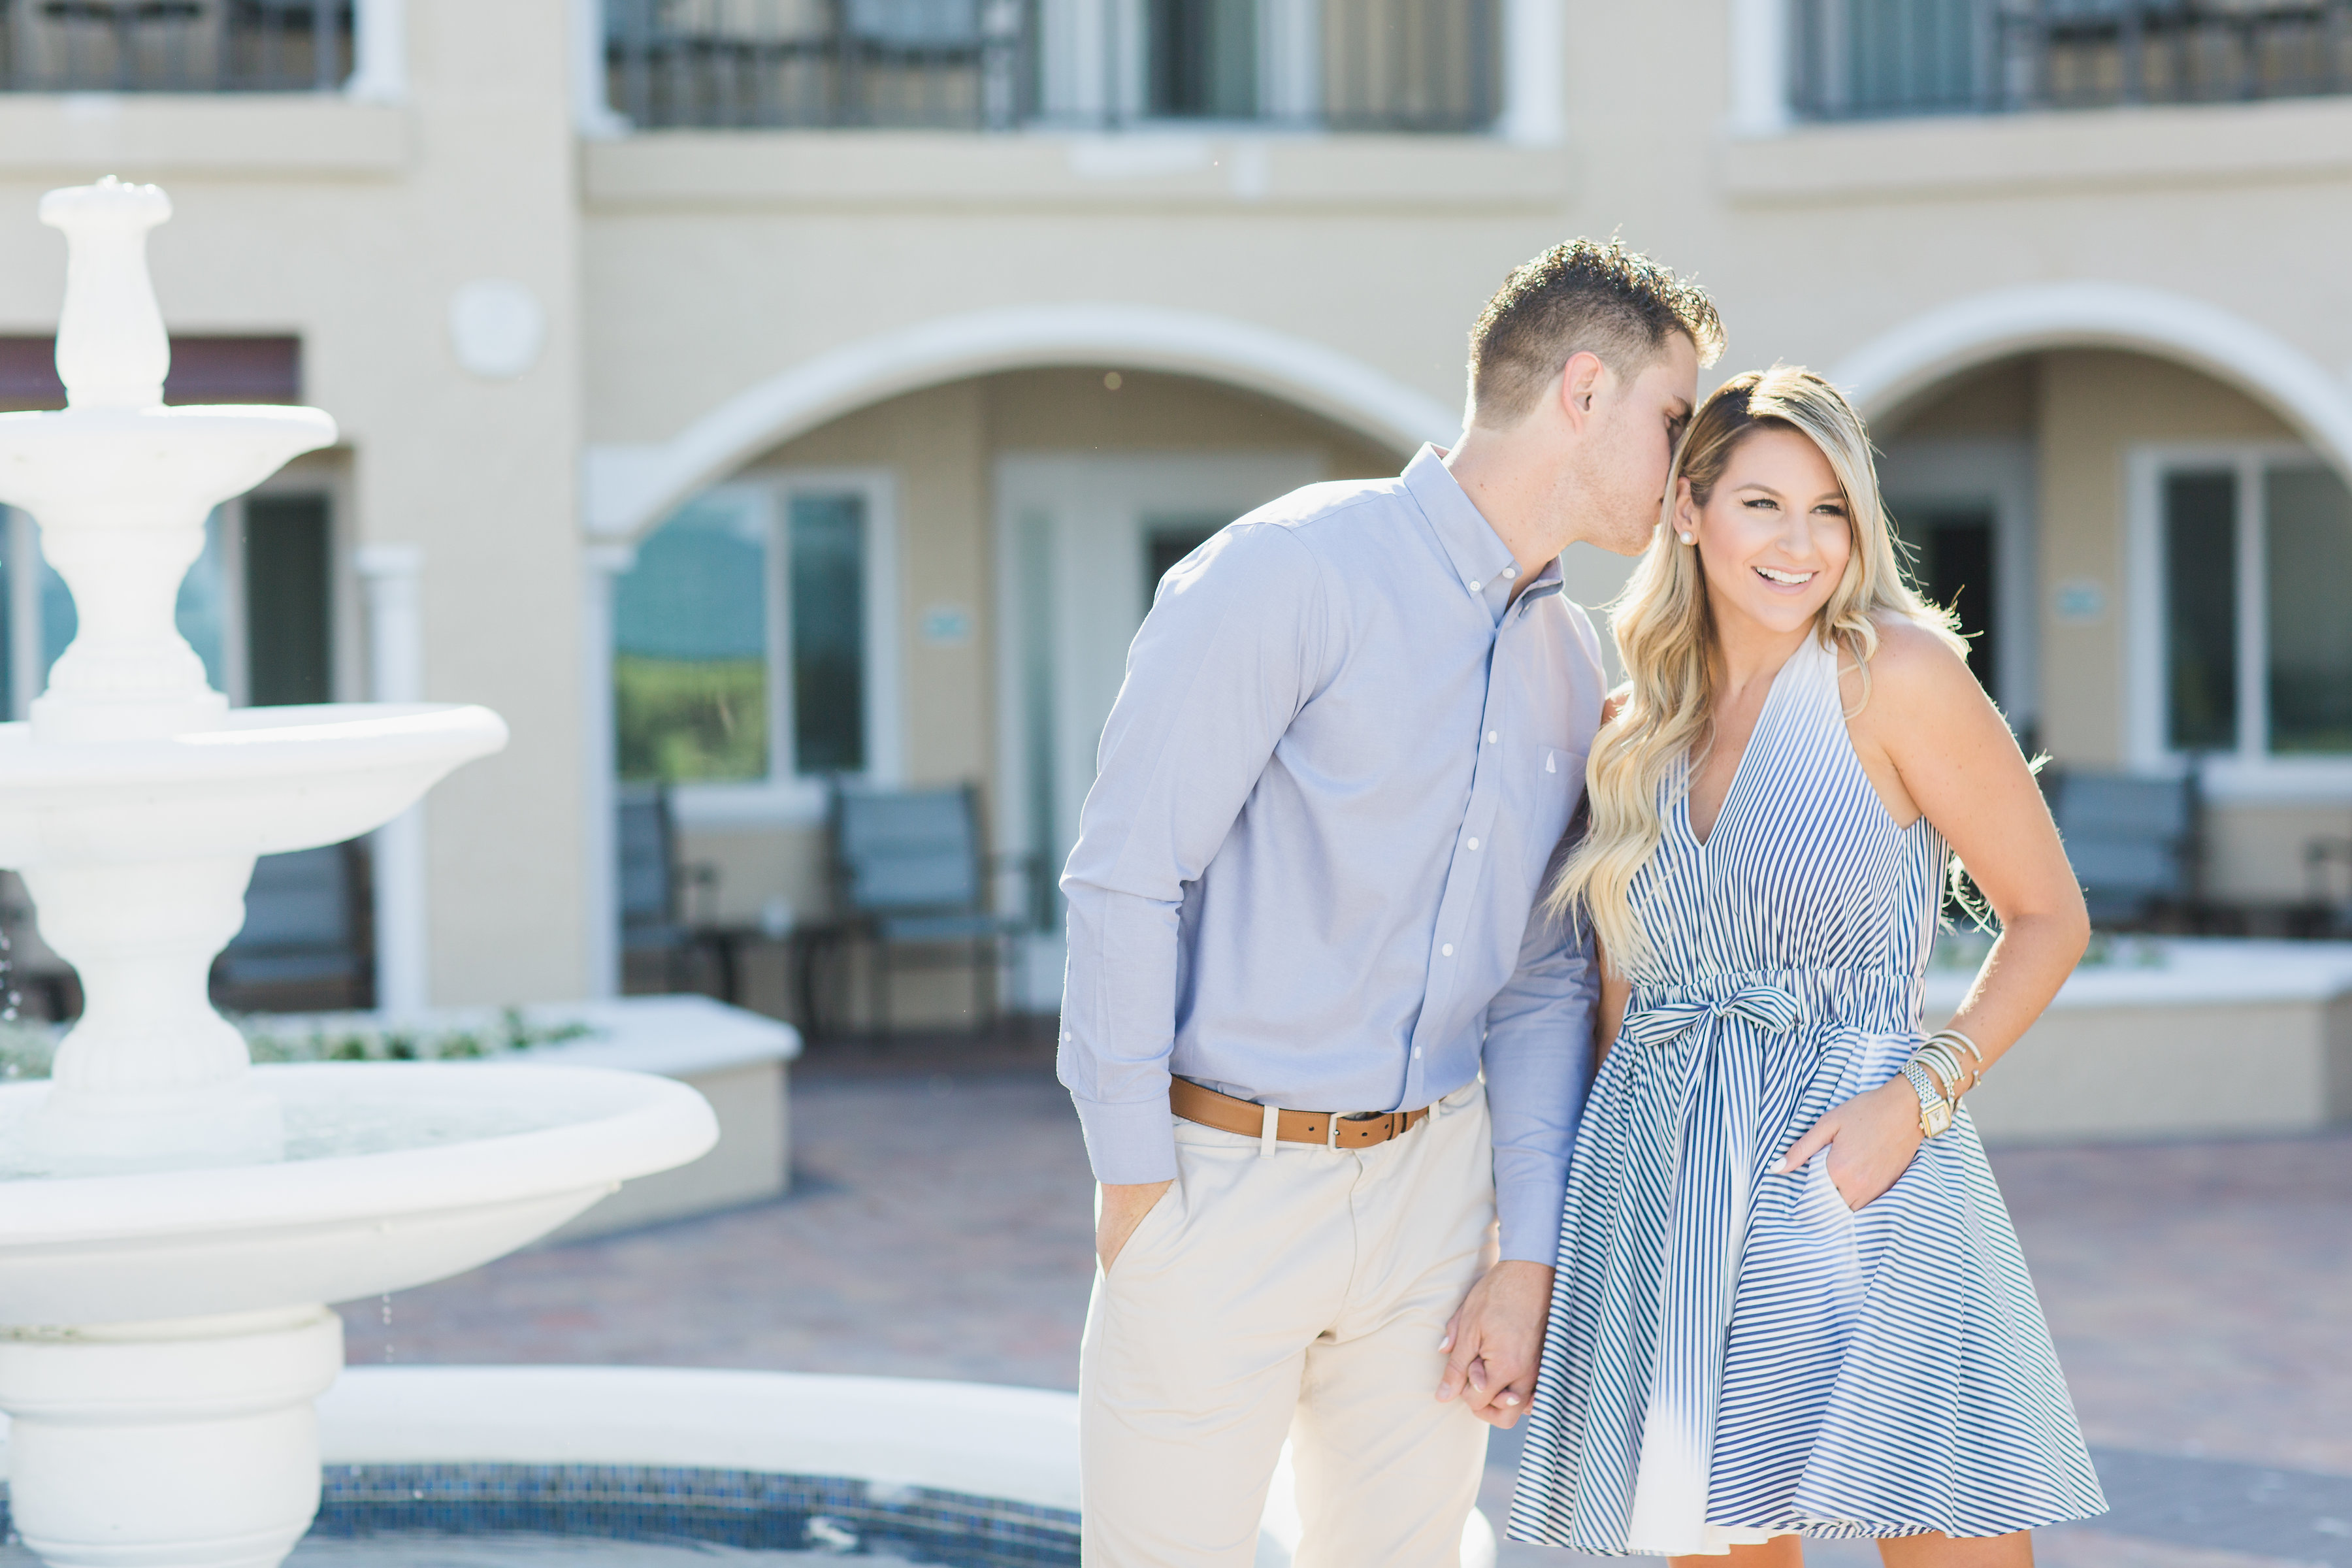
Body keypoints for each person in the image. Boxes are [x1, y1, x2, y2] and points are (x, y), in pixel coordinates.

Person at [1055, 238, 1722, 1566]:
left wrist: (1526, 1250)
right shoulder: (1287, 571)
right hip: (1219, 1186)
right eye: (1675, 417)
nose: (1688, 464)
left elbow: (1538, 978)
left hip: (1434, 1202)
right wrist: (1136, 1187)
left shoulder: (1565, 657)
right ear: (1584, 392)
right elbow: (1127, 874)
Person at [1507, 366, 2108, 1563]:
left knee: (1949, 1535)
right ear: (1689, 510)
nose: (1801, 544)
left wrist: (1919, 1095)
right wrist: (1557, 1232)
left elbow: (2050, 917)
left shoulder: (1897, 676)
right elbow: (1613, 1007)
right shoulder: (1630, 729)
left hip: (1859, 1162)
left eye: (1830, 509)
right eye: (1763, 505)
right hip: (1660, 1177)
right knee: (1715, 1543)